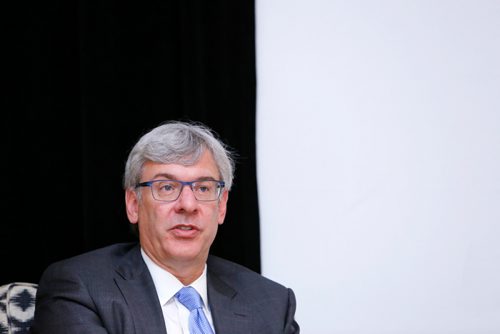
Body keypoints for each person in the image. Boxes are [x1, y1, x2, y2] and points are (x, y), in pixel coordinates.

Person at [31, 121, 300, 334]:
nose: (188, 204)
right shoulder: (79, 289)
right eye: (167, 187)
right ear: (134, 204)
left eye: (204, 188)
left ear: (221, 206)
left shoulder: (272, 303)